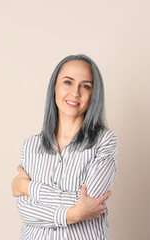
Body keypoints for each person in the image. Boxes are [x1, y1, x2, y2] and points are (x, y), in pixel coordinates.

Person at [11, 54, 118, 240]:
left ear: (94, 94)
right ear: (55, 87)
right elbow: (26, 212)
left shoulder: (105, 141)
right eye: (68, 82)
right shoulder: (31, 145)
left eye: (86, 86)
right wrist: (73, 214)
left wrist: (28, 187)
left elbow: (90, 202)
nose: (75, 93)